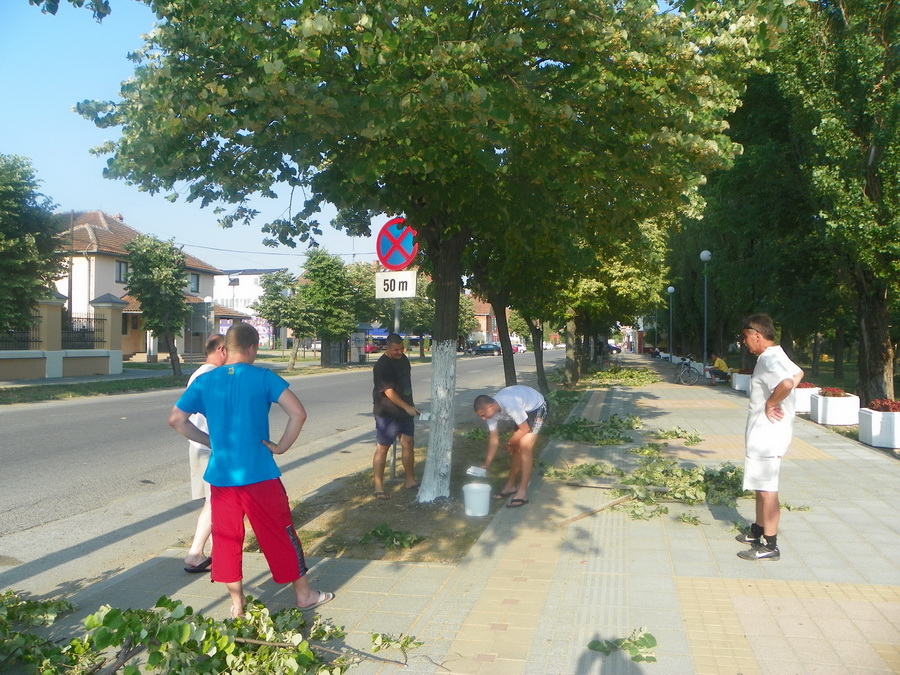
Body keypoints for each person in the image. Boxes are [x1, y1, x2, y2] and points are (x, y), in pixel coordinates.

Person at [168, 322, 334, 618]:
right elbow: (298, 414)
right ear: (252, 347)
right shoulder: (264, 377)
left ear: (226, 348)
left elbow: (176, 420)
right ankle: (304, 595)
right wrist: (281, 447)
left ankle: (237, 604)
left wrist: (210, 441)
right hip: (260, 475)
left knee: (226, 540)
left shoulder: (205, 381)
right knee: (280, 534)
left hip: (222, 478)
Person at [735, 314, 803, 561]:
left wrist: (771, 403)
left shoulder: (768, 359)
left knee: (767, 489)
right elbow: (798, 374)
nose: (744, 342)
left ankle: (770, 545)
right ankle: (758, 530)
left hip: (767, 435)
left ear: (757, 335)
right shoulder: (777, 354)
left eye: (745, 337)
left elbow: (786, 383)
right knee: (760, 485)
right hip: (768, 434)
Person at [183, 333, 228, 573]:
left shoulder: (197, 374)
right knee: (215, 503)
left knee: (211, 502)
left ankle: (214, 553)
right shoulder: (215, 377)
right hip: (212, 448)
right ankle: (196, 553)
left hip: (198, 446)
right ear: (221, 350)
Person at [474, 385, 548, 508]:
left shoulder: (510, 405)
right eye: (481, 416)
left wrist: (509, 442)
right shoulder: (491, 412)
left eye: (483, 415)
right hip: (523, 408)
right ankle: (510, 486)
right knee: (516, 448)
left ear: (490, 407)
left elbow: (524, 429)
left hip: (537, 406)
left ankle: (522, 493)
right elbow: (493, 439)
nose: (483, 418)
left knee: (525, 446)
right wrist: (487, 463)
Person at [372, 333, 420, 499]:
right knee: (383, 447)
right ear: (387, 348)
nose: (400, 352)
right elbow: (389, 391)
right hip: (387, 413)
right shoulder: (382, 366)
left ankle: (410, 480)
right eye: (396, 350)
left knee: (408, 443)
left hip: (405, 411)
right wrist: (407, 407)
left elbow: (404, 385)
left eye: (402, 348)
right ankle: (378, 487)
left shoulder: (404, 359)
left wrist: (410, 405)